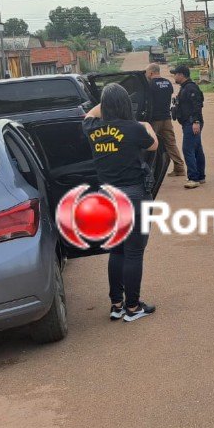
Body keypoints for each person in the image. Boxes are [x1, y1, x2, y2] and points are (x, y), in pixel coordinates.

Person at [82, 83, 159, 322]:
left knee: (116, 250)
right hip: (134, 196)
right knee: (134, 252)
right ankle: (133, 308)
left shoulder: (92, 128)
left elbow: (88, 114)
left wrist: (104, 104)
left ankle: (116, 305)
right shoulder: (134, 128)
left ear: (105, 106)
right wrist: (145, 125)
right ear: (126, 104)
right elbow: (154, 144)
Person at [145, 64, 186, 177]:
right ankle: (179, 168)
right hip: (166, 118)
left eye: (147, 72)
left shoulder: (150, 85)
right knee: (171, 143)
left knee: (150, 144)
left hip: (154, 120)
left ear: (151, 73)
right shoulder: (167, 83)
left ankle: (150, 171)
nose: (146, 74)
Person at [172, 65, 206, 189]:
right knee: (197, 149)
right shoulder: (185, 88)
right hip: (189, 122)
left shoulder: (191, 88)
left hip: (192, 122)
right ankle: (200, 176)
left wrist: (196, 122)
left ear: (181, 75)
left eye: (175, 74)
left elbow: (197, 105)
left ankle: (193, 178)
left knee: (188, 149)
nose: (174, 76)